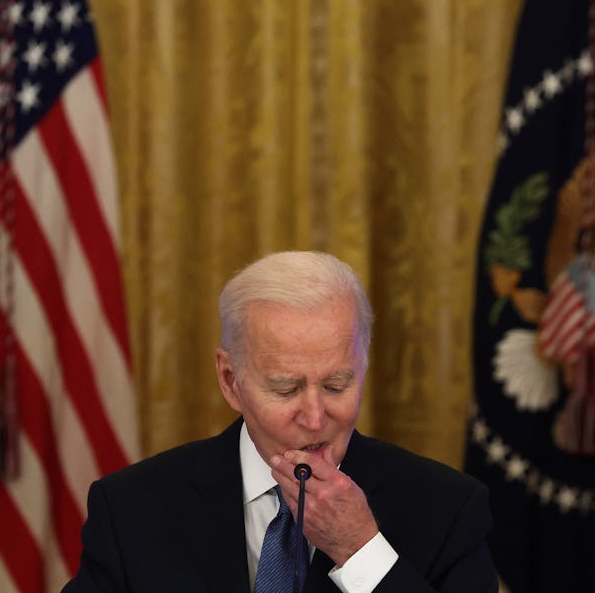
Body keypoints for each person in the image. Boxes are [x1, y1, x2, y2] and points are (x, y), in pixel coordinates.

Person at [63, 251, 498, 593]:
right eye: (286, 389)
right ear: (230, 380)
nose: (314, 417)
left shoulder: (448, 509)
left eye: (336, 385)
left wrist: (360, 550)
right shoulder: (132, 509)